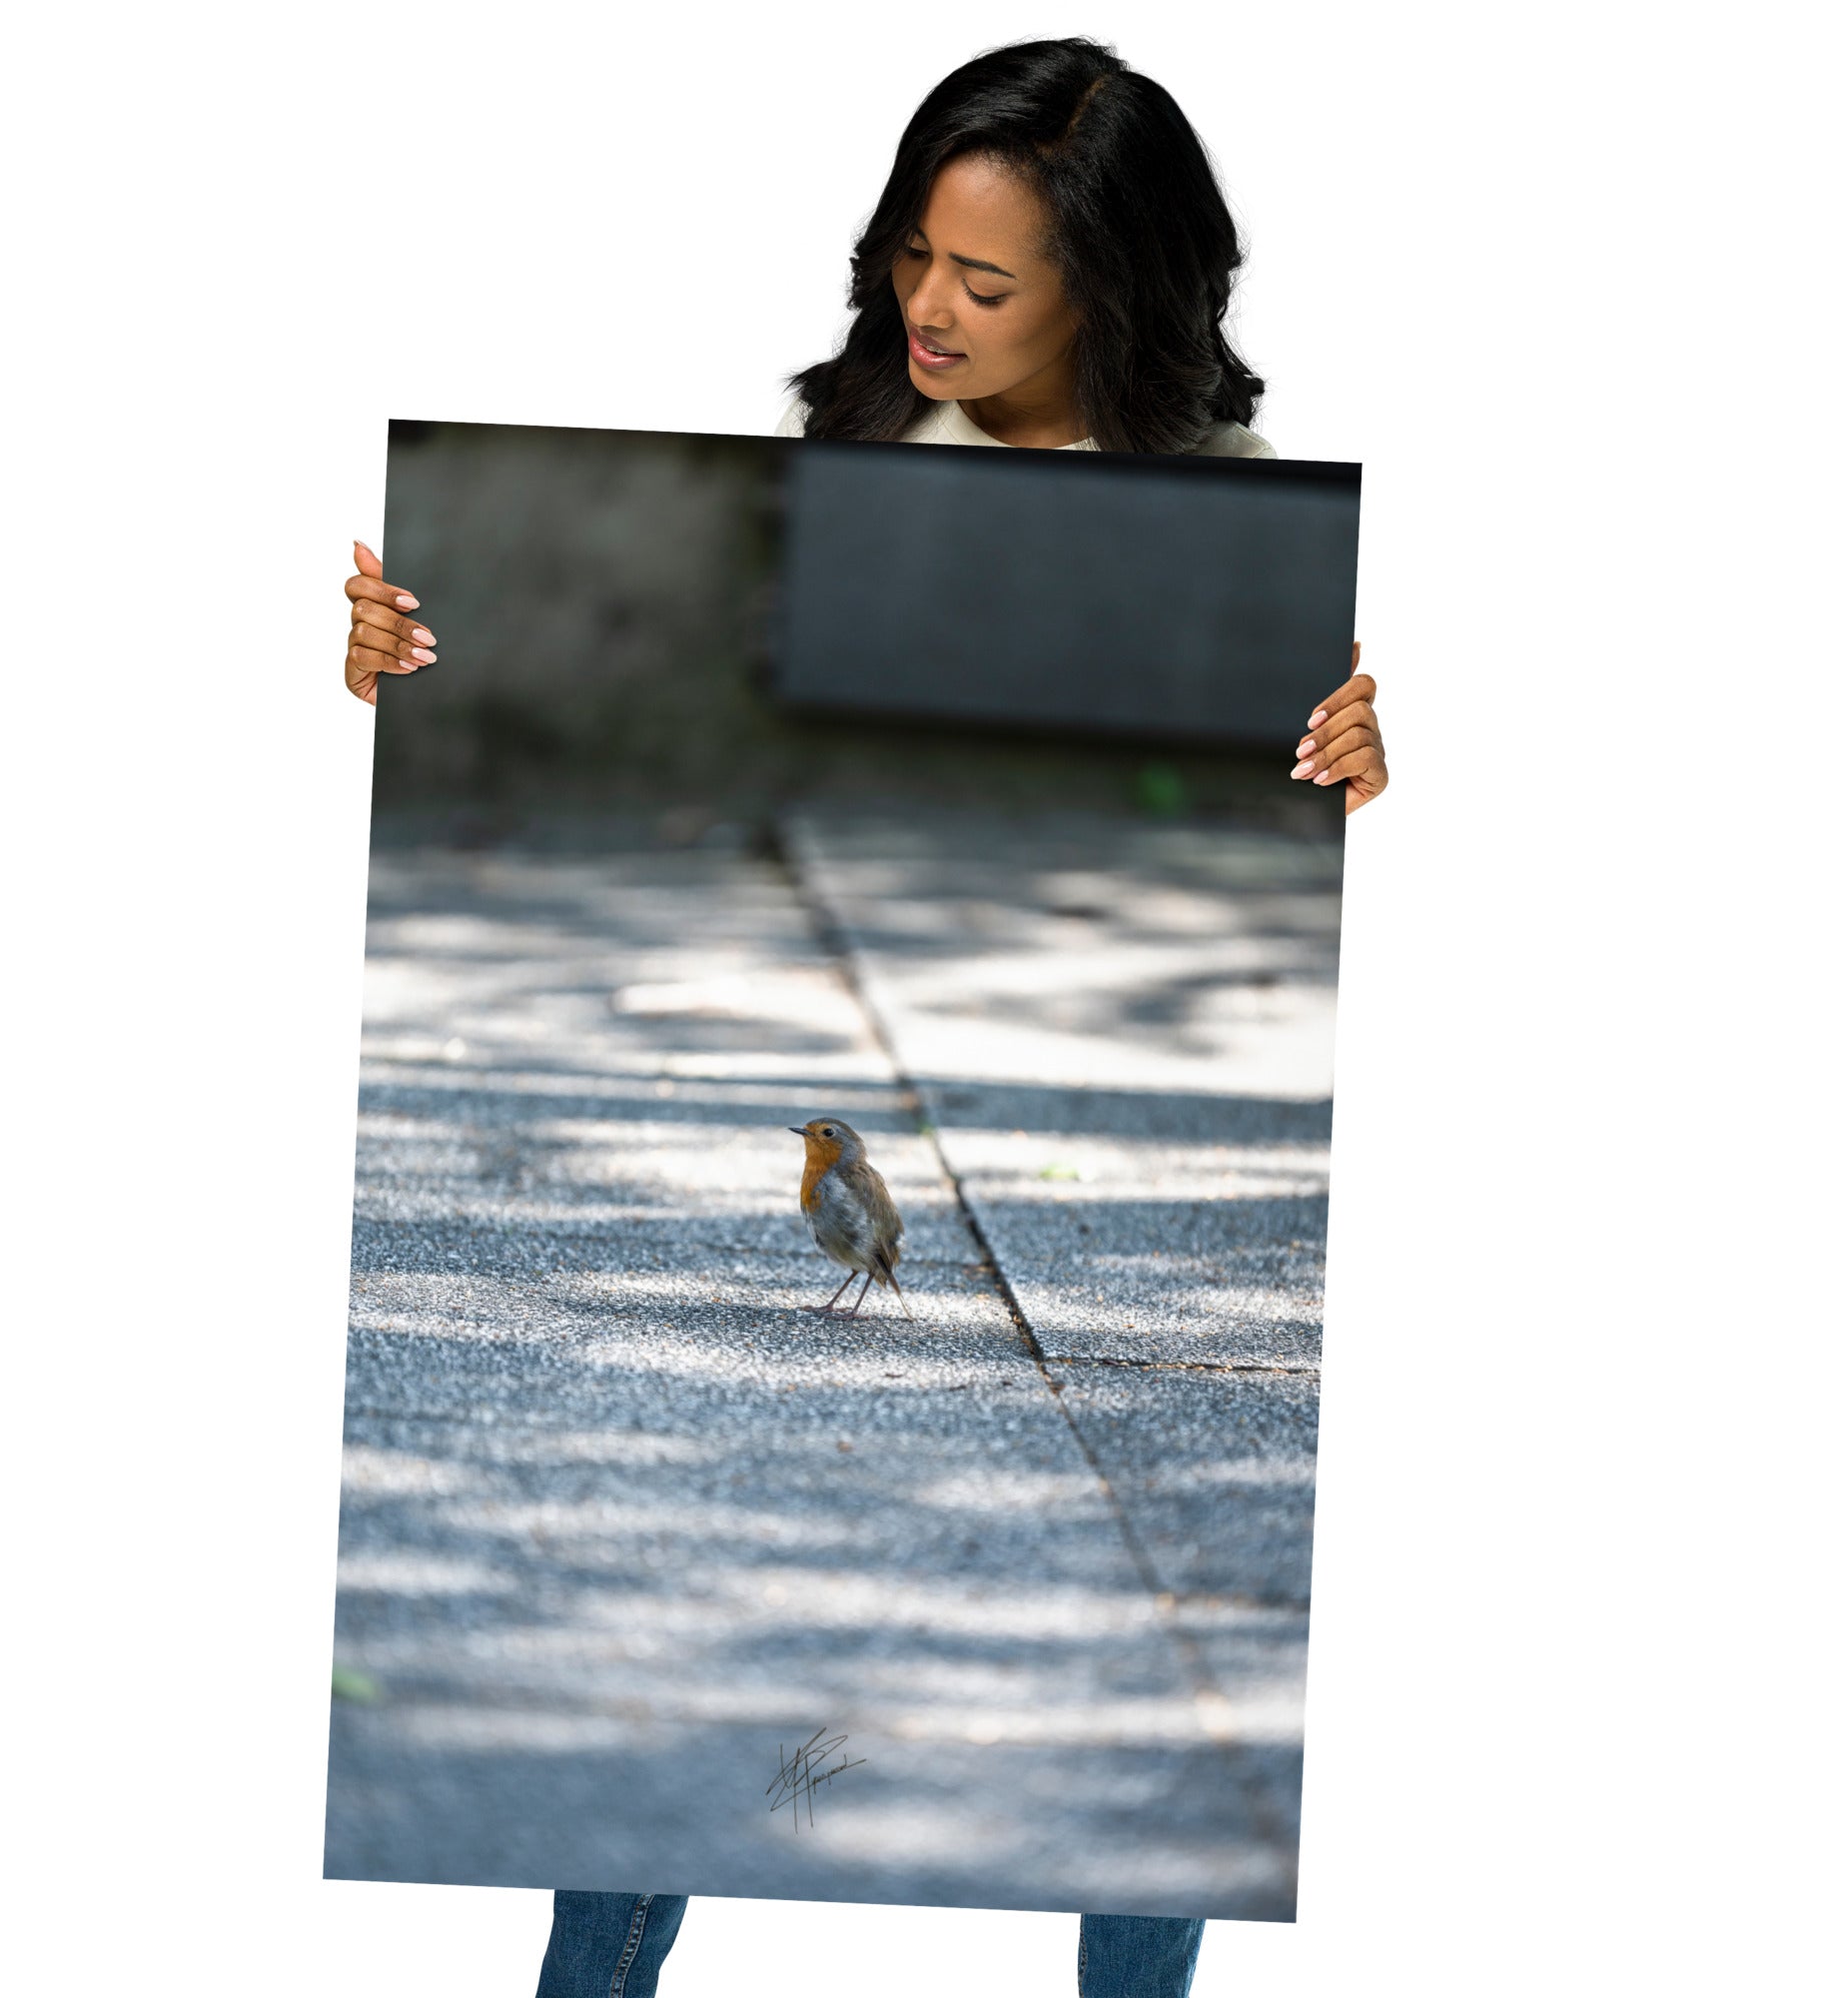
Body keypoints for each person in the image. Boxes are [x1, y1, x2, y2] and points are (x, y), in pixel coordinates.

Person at [340, 36, 1388, 1997]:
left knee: (1134, 1738)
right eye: (915, 254)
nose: (929, 307)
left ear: (1116, 290)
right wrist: (371, 668)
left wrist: (1373, 762)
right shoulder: (841, 436)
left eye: (987, 284)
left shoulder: (1257, 516)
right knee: (680, 1722)